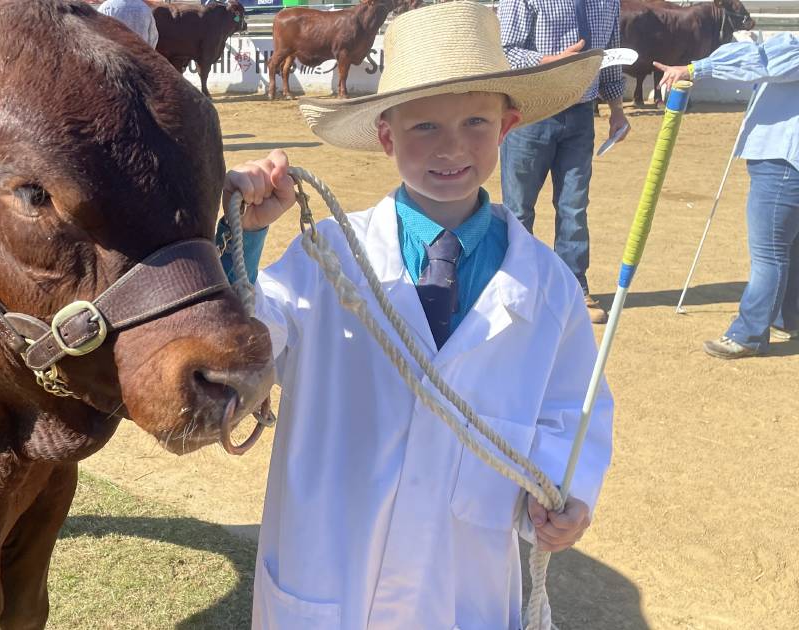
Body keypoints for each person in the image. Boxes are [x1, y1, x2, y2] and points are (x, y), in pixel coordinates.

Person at [217, 3, 614, 627]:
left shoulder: (547, 289)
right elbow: (244, 338)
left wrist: (573, 494)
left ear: (507, 127)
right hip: (329, 572)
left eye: (475, 122)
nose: (451, 147)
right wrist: (243, 238)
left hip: (462, 584)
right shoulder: (328, 259)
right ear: (386, 135)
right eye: (424, 126)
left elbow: (573, 410)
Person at [657, 36, 799, 359]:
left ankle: (748, 333)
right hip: (787, 160)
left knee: (769, 252)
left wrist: (695, 68)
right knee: (789, 246)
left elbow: (760, 60)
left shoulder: (793, 49)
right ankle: (787, 318)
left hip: (782, 159)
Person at [498, 0, 630, 324]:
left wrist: (616, 110)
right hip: (530, 112)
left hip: (582, 114)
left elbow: (609, 59)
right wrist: (548, 62)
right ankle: (515, 287)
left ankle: (573, 287)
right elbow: (505, 50)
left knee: (574, 206)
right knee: (518, 209)